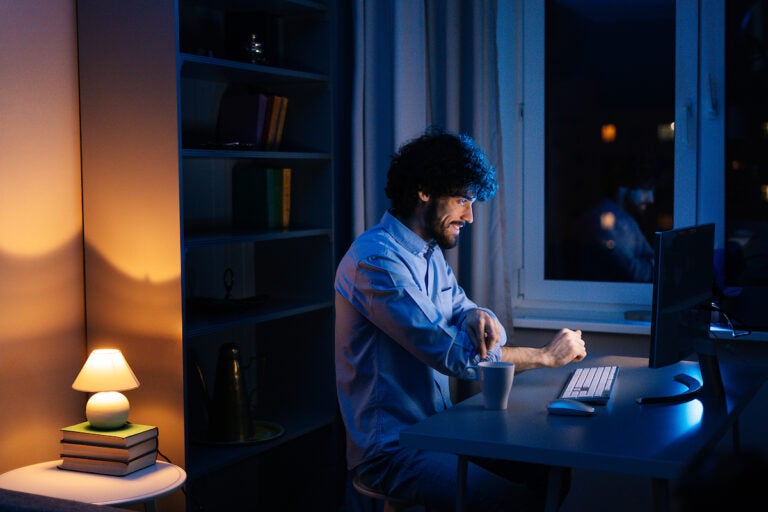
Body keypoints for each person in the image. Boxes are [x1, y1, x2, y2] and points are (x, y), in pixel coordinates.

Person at [334, 127, 587, 511]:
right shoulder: (376, 262)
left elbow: (463, 309)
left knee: (550, 470)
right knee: (517, 500)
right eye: (461, 200)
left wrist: (475, 313)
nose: (469, 216)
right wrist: (546, 356)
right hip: (393, 450)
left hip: (439, 430)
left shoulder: (427, 252)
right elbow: (457, 357)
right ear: (423, 192)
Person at [575, 157, 657, 282]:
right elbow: (634, 273)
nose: (651, 199)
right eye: (645, 190)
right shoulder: (602, 221)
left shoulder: (628, 220)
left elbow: (652, 256)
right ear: (623, 188)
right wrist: (653, 266)